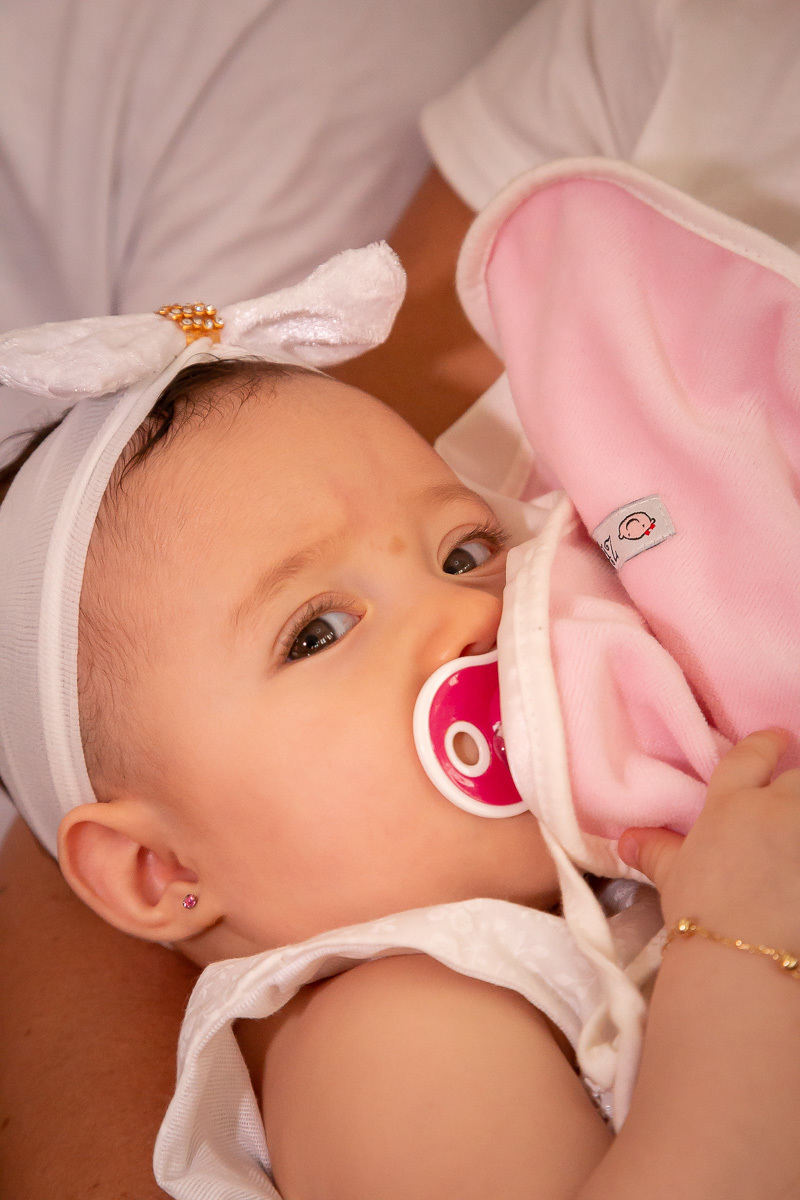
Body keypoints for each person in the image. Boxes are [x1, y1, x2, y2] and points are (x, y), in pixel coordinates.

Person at [2, 229, 800, 1197]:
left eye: (462, 551)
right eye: (316, 631)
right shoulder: (386, 1029)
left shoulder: (582, 902)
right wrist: (743, 958)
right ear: (160, 869)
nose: (465, 613)